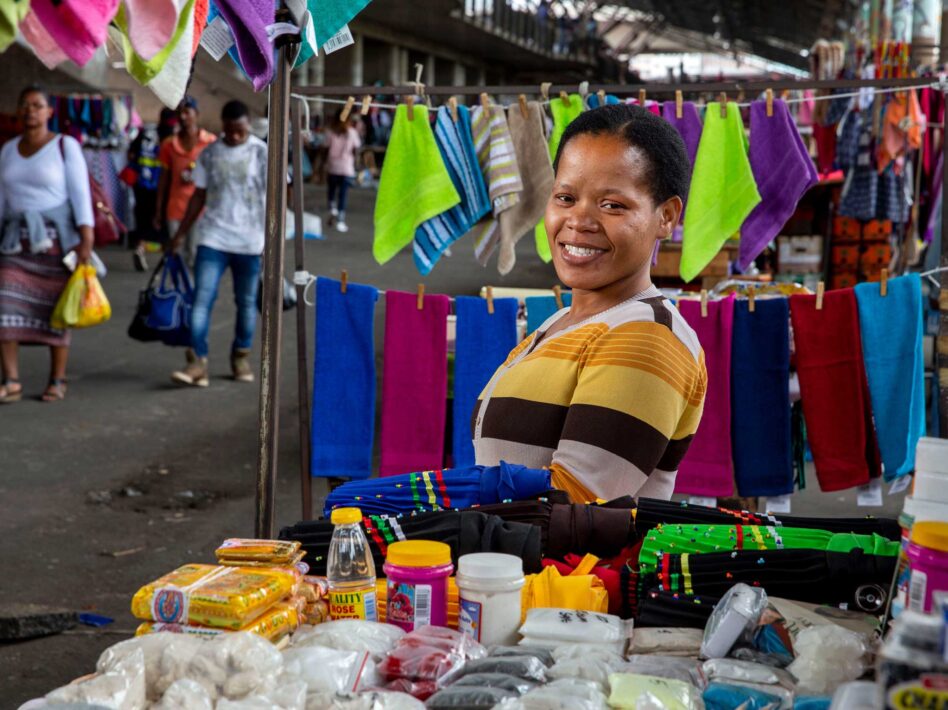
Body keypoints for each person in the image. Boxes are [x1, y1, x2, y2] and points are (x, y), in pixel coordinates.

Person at [472, 104, 707, 503]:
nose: (578, 220)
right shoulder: (563, 320)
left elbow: (575, 504)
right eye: (565, 197)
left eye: (612, 205)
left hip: (574, 568)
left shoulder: (647, 338)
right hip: (513, 563)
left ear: (666, 216)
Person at [0, 85, 94, 403]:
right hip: (15, 242)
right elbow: (1, 199)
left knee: (57, 312)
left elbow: (81, 195)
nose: (30, 110)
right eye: (24, 105)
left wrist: (86, 240)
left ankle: (57, 379)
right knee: (5, 307)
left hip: (55, 242)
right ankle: (11, 380)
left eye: (37, 105)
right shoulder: (8, 150)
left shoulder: (66, 147)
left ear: (49, 112)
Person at [168, 100, 267, 388]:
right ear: (222, 126)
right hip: (213, 236)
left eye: (239, 130)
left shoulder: (262, 153)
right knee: (201, 299)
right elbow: (198, 195)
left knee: (246, 302)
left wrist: (276, 235)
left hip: (251, 241)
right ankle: (197, 361)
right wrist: (180, 234)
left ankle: (240, 356)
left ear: (248, 125)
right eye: (229, 130)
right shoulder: (210, 152)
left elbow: (281, 193)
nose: (234, 136)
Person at [154, 96, 215, 266]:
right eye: (180, 113)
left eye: (187, 112)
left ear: (197, 114)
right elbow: (163, 179)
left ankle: (194, 290)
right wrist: (158, 210)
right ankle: (178, 290)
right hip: (175, 207)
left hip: (201, 209)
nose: (183, 117)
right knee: (175, 253)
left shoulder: (210, 142)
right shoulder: (169, 145)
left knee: (195, 254)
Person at [325, 107, 362, 233]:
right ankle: (340, 219)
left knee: (331, 191)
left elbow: (325, 146)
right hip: (346, 167)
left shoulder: (330, 131)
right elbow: (357, 148)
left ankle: (332, 209)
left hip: (333, 166)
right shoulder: (352, 132)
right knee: (343, 194)